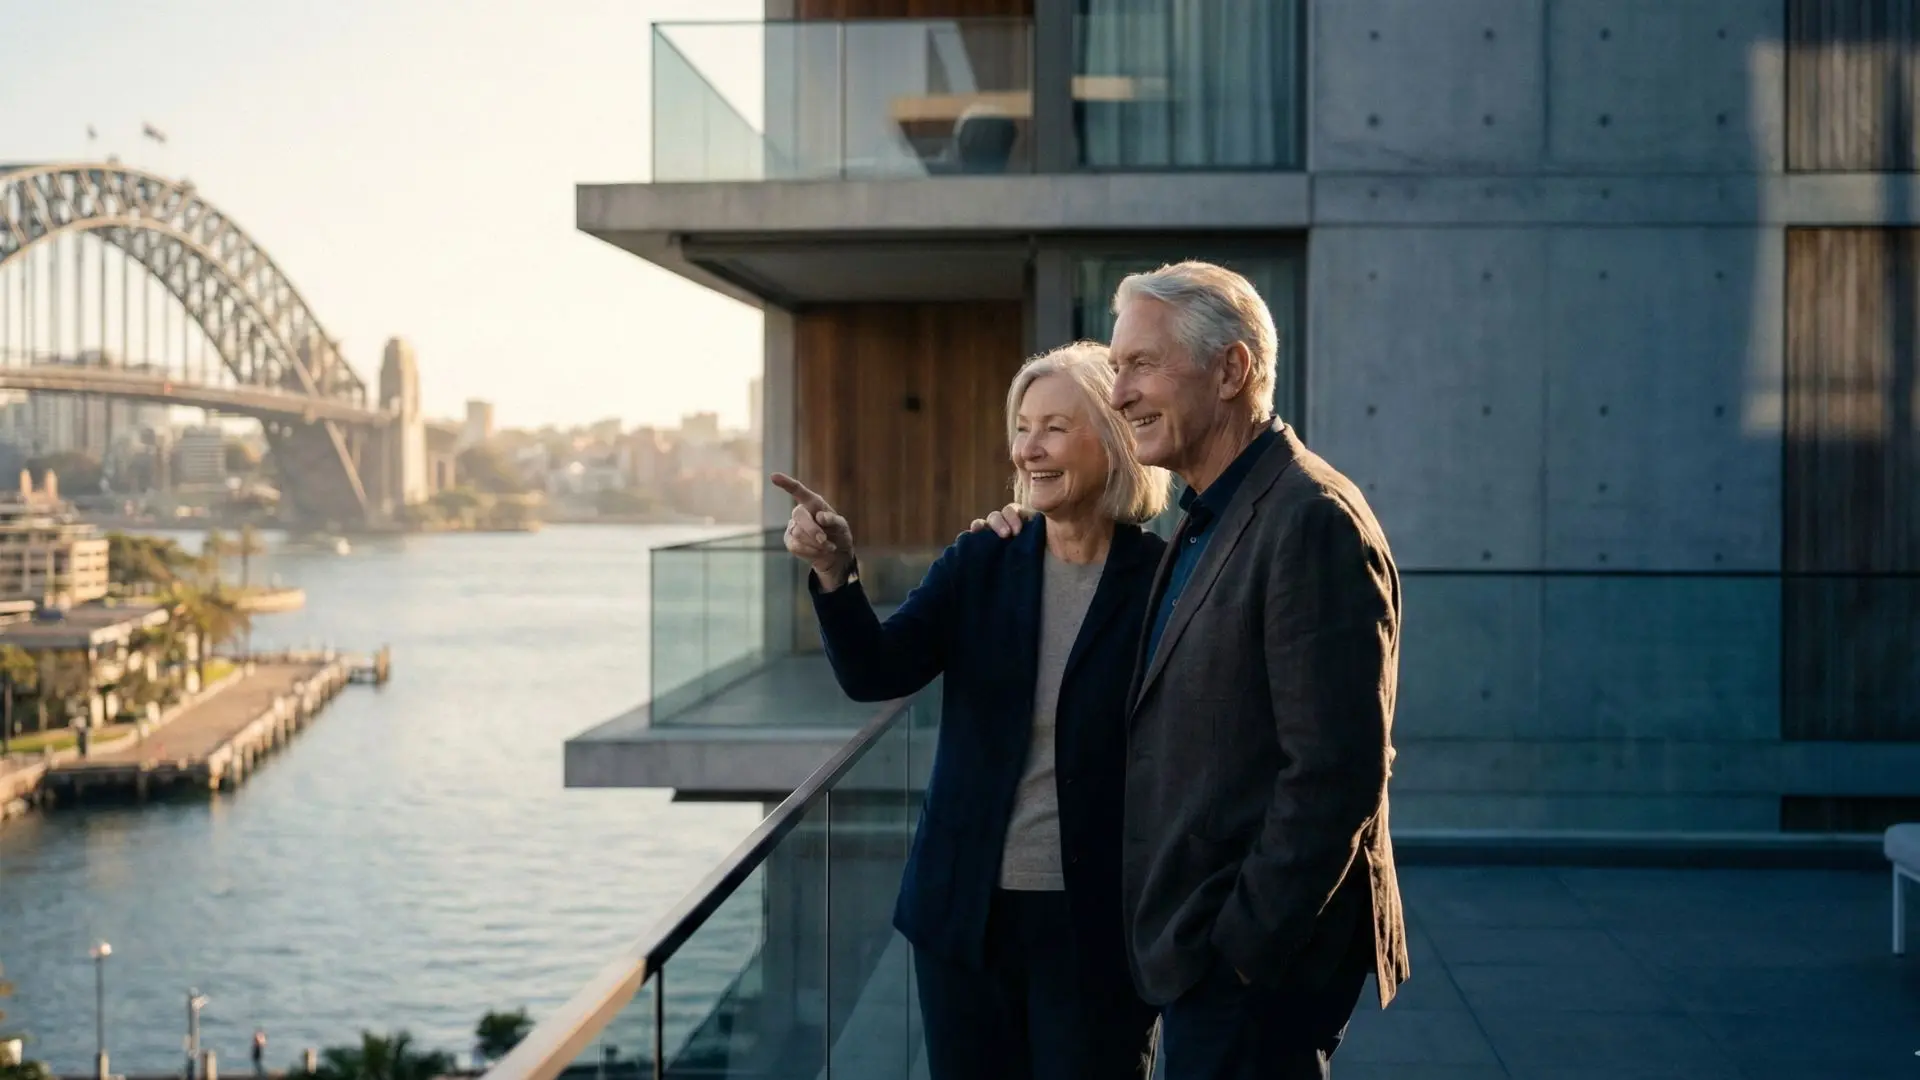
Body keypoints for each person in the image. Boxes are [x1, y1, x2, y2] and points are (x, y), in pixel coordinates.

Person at [979, 262, 1407, 1080]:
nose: (1120, 393)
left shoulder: (1309, 519)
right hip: (1200, 953)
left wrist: (1239, 949)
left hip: (1252, 969)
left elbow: (1336, 772)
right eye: (1116, 367)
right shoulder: (1205, 518)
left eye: (1141, 364)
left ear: (1232, 369)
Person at [772, 341, 1166, 1080]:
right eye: (1022, 427)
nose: (1028, 449)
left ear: (1114, 441)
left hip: (1099, 930)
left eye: (1054, 428)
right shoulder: (982, 560)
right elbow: (876, 671)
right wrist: (834, 571)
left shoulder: (1164, 580)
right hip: (964, 920)